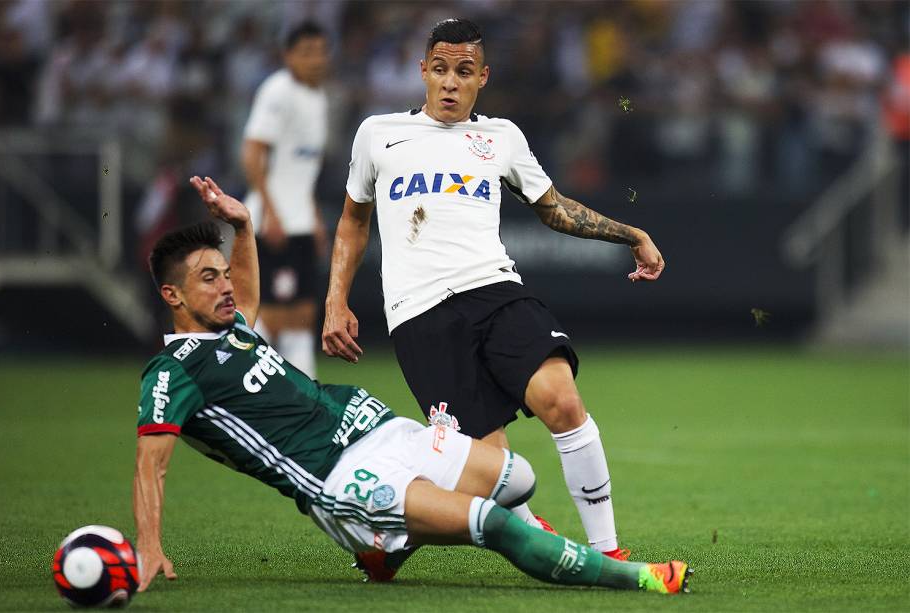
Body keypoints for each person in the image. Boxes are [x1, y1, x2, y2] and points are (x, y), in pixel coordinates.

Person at [132, 176, 691, 595]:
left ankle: (387, 552)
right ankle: (636, 577)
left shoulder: (232, 329)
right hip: (341, 477)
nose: (226, 287)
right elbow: (150, 463)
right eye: (208, 278)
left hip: (379, 427)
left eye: (223, 274)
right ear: (172, 295)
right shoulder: (173, 372)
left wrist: (243, 226)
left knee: (518, 477)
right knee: (494, 524)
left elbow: (249, 292)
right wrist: (149, 544)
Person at [322, 19, 666, 559]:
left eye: (464, 71)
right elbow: (352, 220)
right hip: (419, 314)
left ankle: (608, 551)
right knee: (493, 470)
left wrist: (632, 234)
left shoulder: (501, 137)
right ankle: (405, 538)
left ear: (482, 77)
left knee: (562, 400)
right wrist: (335, 300)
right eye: (440, 69)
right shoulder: (377, 133)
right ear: (423, 72)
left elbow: (554, 208)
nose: (450, 82)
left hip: (495, 290)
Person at [240, 21, 329, 378]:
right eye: (306, 52)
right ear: (288, 56)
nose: (315, 60)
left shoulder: (318, 97)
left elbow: (303, 168)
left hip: (300, 220)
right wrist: (270, 213)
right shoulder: (278, 91)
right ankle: (249, 387)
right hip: (272, 222)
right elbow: (252, 153)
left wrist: (314, 217)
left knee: (304, 314)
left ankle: (304, 391)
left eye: (320, 52)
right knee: (272, 315)